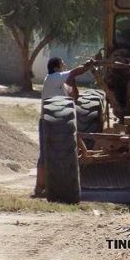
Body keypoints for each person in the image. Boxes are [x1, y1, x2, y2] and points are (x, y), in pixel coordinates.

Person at [33, 57, 94, 198]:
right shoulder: (53, 78)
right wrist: (87, 66)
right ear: (56, 67)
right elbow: (74, 72)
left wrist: (73, 81)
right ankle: (39, 188)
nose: (64, 65)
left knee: (71, 134)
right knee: (44, 155)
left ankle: (85, 154)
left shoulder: (60, 84)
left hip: (62, 121)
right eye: (62, 64)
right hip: (47, 121)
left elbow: (75, 96)